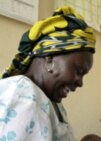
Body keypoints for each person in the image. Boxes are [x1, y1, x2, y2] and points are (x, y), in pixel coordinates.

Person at [0, 6, 95, 141]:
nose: (80, 83)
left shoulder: (47, 97)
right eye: (79, 72)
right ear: (50, 59)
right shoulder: (24, 97)